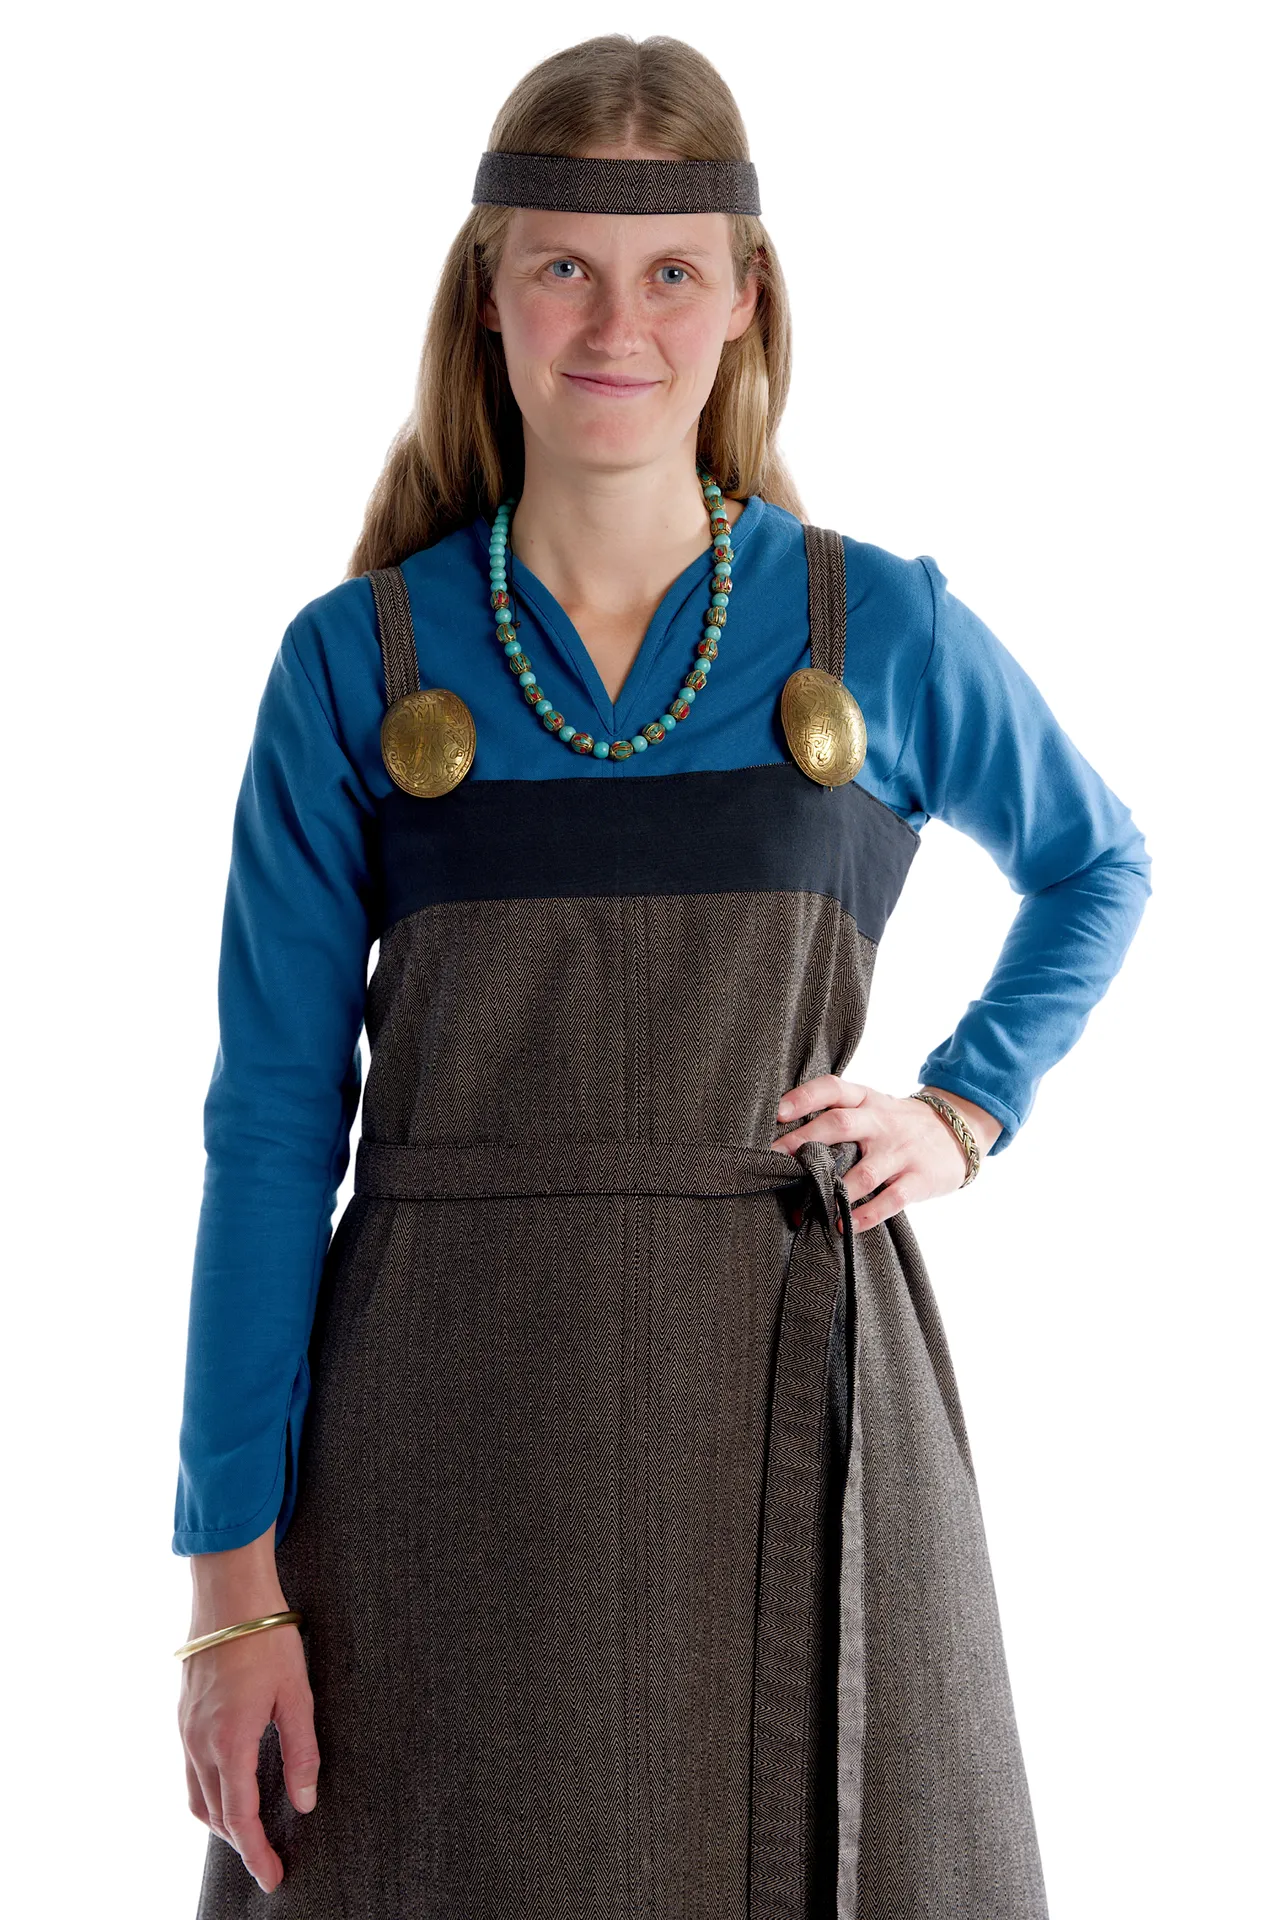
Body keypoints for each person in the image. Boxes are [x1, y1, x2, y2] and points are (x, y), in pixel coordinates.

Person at [171, 33, 1152, 1920]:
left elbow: (1099, 862)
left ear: (745, 298)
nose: (618, 323)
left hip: (786, 1386)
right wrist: (231, 1591)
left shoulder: (878, 628)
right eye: (565, 264)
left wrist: (963, 1106)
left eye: (672, 270)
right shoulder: (354, 665)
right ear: (488, 293)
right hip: (431, 1444)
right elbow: (272, 1132)